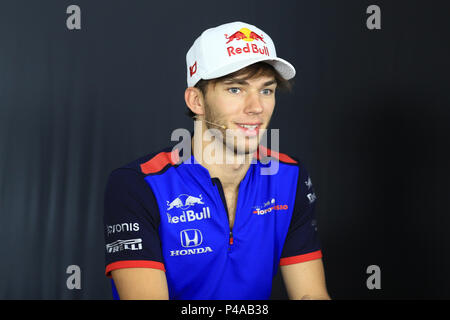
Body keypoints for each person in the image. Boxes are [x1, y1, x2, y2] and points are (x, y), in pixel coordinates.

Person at [103, 21, 330, 300]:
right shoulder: (138, 185)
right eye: (235, 89)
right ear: (196, 101)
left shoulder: (289, 177)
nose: (256, 107)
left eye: (266, 90)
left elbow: (310, 295)